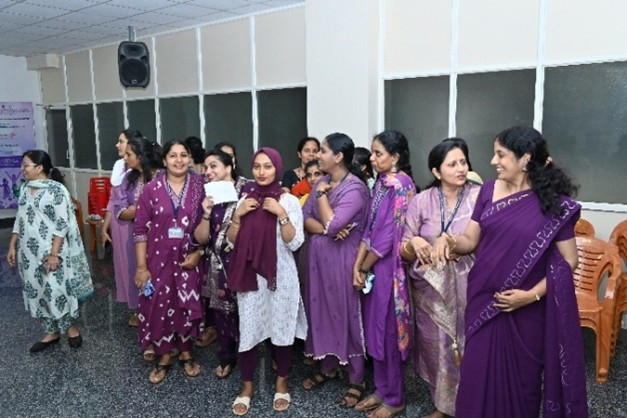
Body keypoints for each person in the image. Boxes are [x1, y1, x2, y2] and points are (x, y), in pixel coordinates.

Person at [432, 126, 588, 418]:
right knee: (476, 378)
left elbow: (569, 260)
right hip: (483, 301)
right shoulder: (488, 191)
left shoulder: (553, 202)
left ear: (525, 158)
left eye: (501, 155)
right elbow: (470, 241)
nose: (493, 161)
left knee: (522, 385)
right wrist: (448, 240)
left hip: (527, 312)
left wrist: (531, 296)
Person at [400, 139, 480, 418]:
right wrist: (415, 243)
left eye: (463, 162)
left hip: (471, 286)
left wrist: (455, 244)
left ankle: (472, 403)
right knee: (437, 347)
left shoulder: (479, 197)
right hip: (430, 292)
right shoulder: (422, 201)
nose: (461, 169)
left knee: (471, 344)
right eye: (452, 164)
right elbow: (403, 248)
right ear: (436, 171)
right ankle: (444, 406)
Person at [227, 147, 307, 416]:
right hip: (251, 277)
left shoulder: (289, 201)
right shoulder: (245, 199)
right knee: (249, 330)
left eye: (268, 166)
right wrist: (237, 216)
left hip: (281, 277)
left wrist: (281, 213)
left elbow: (295, 242)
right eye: (257, 166)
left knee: (282, 329)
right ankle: (247, 387)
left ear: (277, 168)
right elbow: (231, 241)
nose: (261, 172)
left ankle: (281, 383)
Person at [302, 133, 370, 407]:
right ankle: (328, 367)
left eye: (323, 151)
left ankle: (357, 379)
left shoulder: (355, 189)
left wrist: (321, 200)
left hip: (344, 261)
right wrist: (325, 229)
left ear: (339, 157)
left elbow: (334, 225)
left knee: (346, 314)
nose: (318, 155)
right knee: (321, 310)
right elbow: (306, 218)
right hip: (319, 261)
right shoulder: (322, 181)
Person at [353, 130, 416, 418]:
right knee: (374, 329)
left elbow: (388, 236)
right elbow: (369, 227)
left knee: (388, 332)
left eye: (378, 153)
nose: (372, 158)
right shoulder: (380, 182)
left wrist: (364, 266)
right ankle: (381, 389)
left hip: (389, 268)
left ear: (396, 156)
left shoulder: (401, 185)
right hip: (372, 265)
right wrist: (358, 266)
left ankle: (395, 397)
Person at [133, 139, 206, 384]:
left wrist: (200, 253)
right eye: (173, 155)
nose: (179, 160)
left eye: (183, 155)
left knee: (186, 305)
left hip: (189, 260)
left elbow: (210, 225)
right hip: (157, 261)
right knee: (158, 306)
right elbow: (140, 231)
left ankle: (185, 352)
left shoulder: (200, 187)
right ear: (164, 160)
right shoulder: (151, 189)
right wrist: (141, 268)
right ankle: (163, 355)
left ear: (190, 158)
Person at [7, 150, 93, 352]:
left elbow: (62, 223)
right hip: (29, 253)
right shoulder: (25, 187)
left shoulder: (56, 190)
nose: (22, 169)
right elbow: (20, 218)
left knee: (56, 289)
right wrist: (12, 244)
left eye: (26, 165)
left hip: (52, 250)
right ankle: (51, 332)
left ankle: (71, 328)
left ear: (39, 168)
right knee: (38, 289)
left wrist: (54, 254)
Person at [194, 148, 249, 379]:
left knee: (247, 312)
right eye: (206, 167)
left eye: (213, 166)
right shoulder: (208, 195)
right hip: (217, 264)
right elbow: (201, 238)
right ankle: (226, 356)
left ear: (229, 166)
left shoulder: (248, 190)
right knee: (222, 315)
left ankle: (249, 357)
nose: (208, 171)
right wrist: (206, 213)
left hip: (244, 263)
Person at [109, 136, 162, 358]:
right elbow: (120, 210)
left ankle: (167, 338)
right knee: (144, 286)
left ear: (140, 156)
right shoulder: (128, 180)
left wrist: (137, 208)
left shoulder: (162, 177)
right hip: (138, 239)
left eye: (129, 154)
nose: (125, 158)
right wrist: (142, 208)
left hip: (162, 242)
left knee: (164, 288)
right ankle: (149, 338)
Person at [101, 129, 142, 327]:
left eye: (121, 141)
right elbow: (113, 199)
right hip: (119, 224)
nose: (117, 145)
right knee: (124, 266)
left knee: (137, 264)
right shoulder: (119, 167)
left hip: (133, 224)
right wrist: (105, 226)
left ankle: (144, 307)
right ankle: (134, 305)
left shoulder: (141, 172)